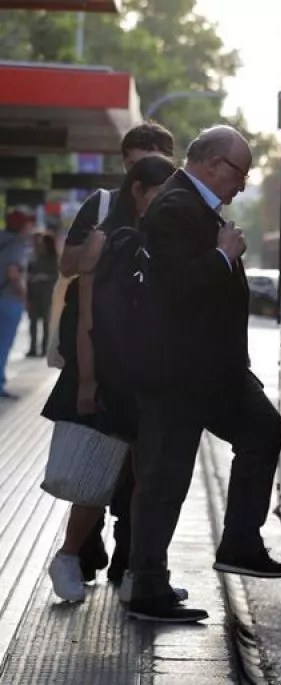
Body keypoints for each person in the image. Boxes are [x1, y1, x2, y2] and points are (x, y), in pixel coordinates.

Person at [127, 125, 281, 623]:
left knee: (263, 429)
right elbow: (176, 288)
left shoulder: (194, 206)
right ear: (213, 164)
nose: (242, 184)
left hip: (209, 373)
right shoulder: (177, 207)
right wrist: (223, 255)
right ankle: (147, 590)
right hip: (179, 375)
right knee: (165, 480)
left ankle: (241, 542)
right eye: (240, 172)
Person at [41, 156, 187, 603]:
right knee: (96, 478)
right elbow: (87, 318)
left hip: (150, 376)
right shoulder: (106, 240)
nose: (168, 203)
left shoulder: (166, 239)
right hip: (107, 374)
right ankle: (67, 556)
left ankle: (139, 574)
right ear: (138, 190)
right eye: (161, 193)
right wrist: (87, 382)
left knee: (147, 480)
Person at [0, 211, 34, 399]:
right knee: (3, 344)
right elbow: (13, 274)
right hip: (8, 299)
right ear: (21, 226)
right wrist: (24, 296)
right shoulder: (17, 245)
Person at [25, 233, 56, 357]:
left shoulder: (52, 258)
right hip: (33, 294)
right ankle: (33, 348)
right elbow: (27, 276)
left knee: (45, 323)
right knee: (32, 323)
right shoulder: (33, 258)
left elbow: (56, 276)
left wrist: (43, 277)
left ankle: (44, 348)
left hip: (46, 295)